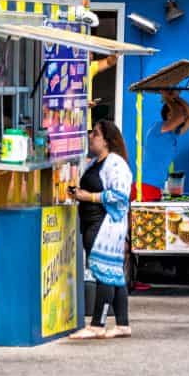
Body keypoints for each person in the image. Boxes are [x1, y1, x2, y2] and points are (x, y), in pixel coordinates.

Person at [70, 120, 133, 340]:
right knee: (114, 273)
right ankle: (123, 324)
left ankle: (98, 324)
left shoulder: (115, 163)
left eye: (95, 134)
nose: (90, 137)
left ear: (106, 140)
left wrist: (89, 197)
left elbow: (120, 194)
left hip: (104, 225)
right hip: (93, 222)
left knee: (103, 272)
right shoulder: (96, 162)